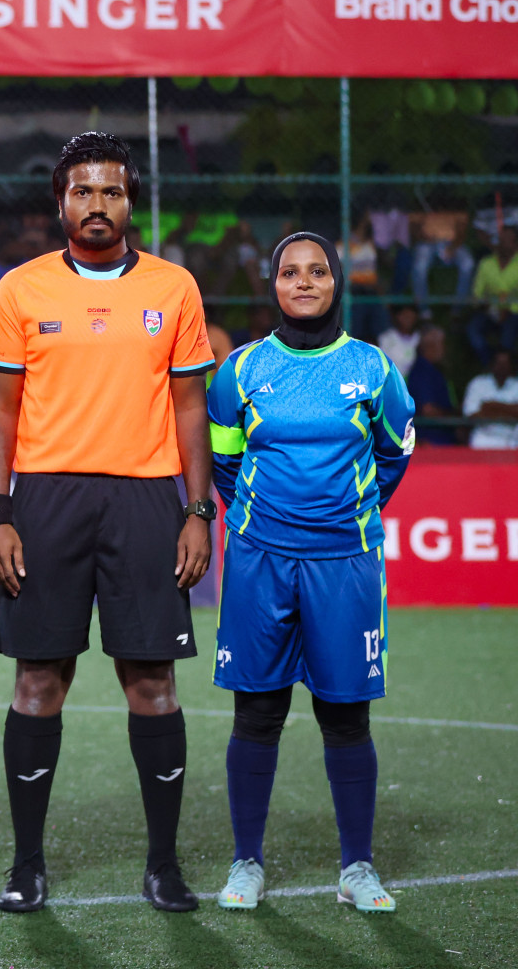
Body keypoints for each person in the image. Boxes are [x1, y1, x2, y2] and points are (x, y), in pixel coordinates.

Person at [0, 131, 215, 914]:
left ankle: (163, 864)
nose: (96, 205)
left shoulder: (174, 288)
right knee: (38, 679)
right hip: (45, 499)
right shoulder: (20, 290)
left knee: (152, 681)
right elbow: (3, 412)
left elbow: (191, 408)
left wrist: (196, 510)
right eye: (82, 191)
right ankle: (26, 864)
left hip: (149, 498)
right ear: (60, 203)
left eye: (110, 191)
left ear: (130, 201)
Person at [208, 231, 415, 914]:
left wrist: (347, 512)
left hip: (345, 565)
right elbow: (225, 462)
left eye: (317, 271)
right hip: (259, 560)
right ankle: (246, 864)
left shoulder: (373, 368)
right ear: (273, 284)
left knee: (345, 717)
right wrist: (267, 517)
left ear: (335, 283)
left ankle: (357, 868)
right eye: (290, 272)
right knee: (258, 712)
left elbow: (392, 455)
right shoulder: (239, 371)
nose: (304, 282)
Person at [467, 227, 518, 367]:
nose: (502, 244)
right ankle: (490, 365)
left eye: (507, 240)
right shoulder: (486, 263)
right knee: (474, 332)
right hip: (490, 311)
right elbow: (477, 294)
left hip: (514, 313)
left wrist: (508, 309)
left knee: (507, 337)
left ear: (516, 244)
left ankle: (506, 367)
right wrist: (491, 307)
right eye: (500, 240)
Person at [406, 327, 459, 446]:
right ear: (430, 346)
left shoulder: (433, 370)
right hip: (431, 442)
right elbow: (428, 410)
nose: (444, 349)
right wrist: (455, 419)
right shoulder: (422, 371)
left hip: (441, 440)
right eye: (442, 344)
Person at [463, 350, 518, 450]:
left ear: (511, 366)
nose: (502, 367)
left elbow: (486, 409)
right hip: (482, 441)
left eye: (505, 363)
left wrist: (491, 406)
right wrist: (510, 410)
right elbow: (471, 415)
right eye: (499, 363)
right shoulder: (478, 383)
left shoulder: (516, 384)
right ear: (492, 365)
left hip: (512, 442)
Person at [376, 305, 420, 377]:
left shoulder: (419, 337)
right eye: (405, 316)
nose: (408, 320)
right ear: (397, 316)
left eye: (411, 317)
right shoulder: (385, 338)